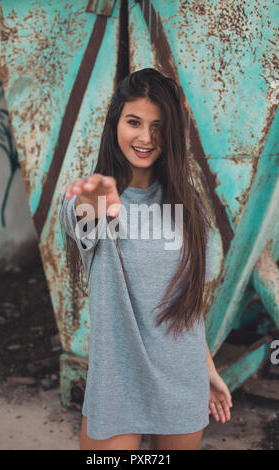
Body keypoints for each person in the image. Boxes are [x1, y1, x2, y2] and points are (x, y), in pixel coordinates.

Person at [59, 68, 232, 450]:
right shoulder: (95, 203)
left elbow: (187, 306)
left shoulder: (190, 209)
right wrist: (93, 197)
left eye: (158, 126)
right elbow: (81, 214)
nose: (145, 137)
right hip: (117, 387)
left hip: (182, 381)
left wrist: (207, 369)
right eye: (133, 122)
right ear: (115, 123)